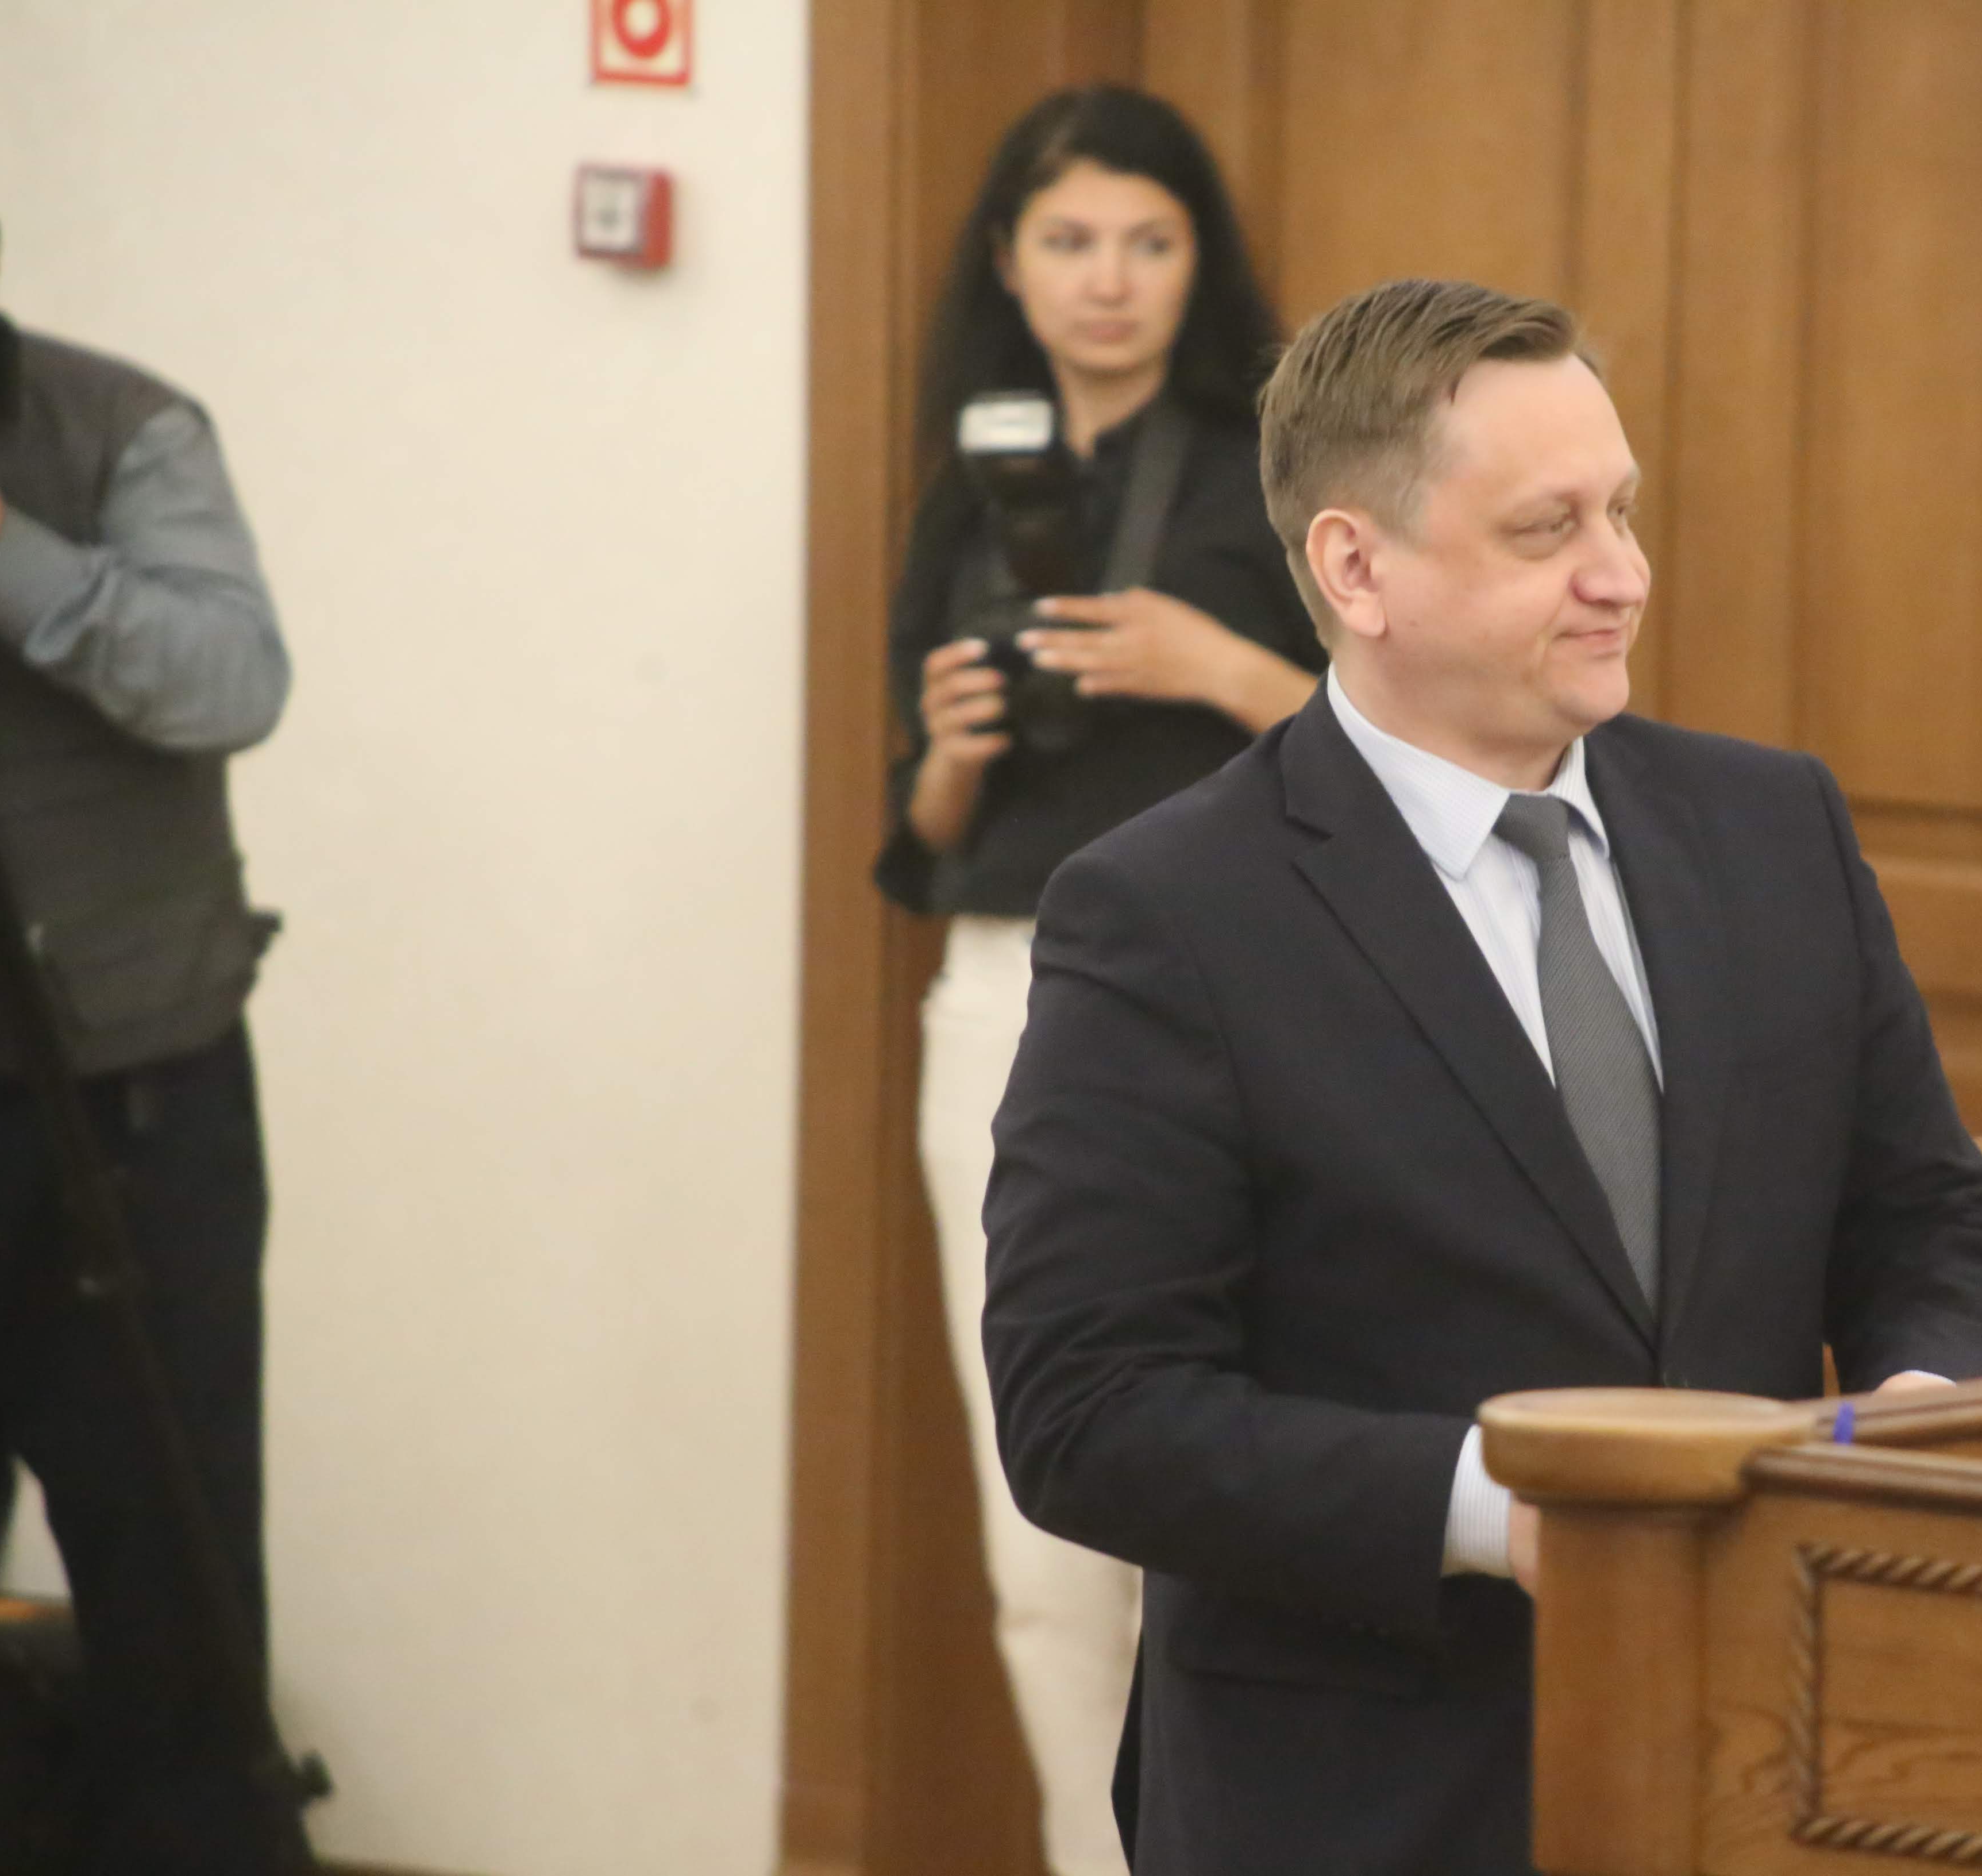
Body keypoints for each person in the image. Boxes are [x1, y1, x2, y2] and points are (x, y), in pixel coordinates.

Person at [981, 278, 1982, 1875]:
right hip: (1361, 1801)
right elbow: (1091, 1409)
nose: (1622, 574)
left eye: (1623, 511)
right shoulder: (1167, 913)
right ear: (1356, 567)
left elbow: (1932, 1224)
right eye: (1549, 530)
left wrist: (1924, 1414)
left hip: (1771, 1767)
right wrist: (1507, 1505)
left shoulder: (1776, 830)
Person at [869, 87, 1321, 1876]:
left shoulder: (1273, 467)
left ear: (1200, 258)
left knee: (1252, 1501)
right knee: (1045, 1541)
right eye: (1067, 240)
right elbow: (917, 842)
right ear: (1007, 260)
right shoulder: (965, 483)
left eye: (1148, 239)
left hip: (1258, 999)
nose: (1107, 280)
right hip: (1005, 989)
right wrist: (952, 747)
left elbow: (1409, 756)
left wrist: (1217, 663)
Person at [0, 207, 294, 1872]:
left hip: (135, 1106)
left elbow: (228, 679)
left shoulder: (120, 426)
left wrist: (2, 550)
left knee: (174, 1583)